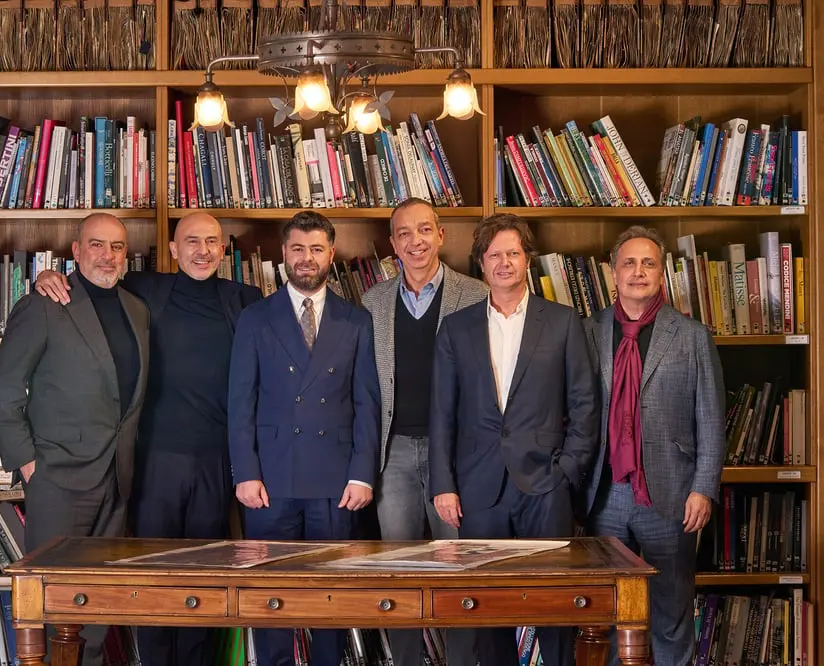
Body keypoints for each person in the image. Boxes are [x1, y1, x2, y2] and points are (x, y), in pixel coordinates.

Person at [33, 211, 261, 666]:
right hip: (153, 460)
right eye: (191, 241)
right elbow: (92, 279)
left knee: (202, 580)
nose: (202, 250)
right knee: (154, 580)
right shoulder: (143, 288)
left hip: (217, 461)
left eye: (212, 241)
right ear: (173, 250)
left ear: (223, 249)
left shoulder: (246, 299)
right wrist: (46, 276)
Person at [428, 213, 598, 666]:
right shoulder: (456, 328)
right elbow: (442, 413)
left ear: (527, 260)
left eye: (513, 253)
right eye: (494, 255)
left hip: (546, 484)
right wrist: (443, 484)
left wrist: (567, 471)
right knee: (489, 608)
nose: (504, 262)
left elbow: (585, 404)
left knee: (555, 607)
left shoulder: (563, 322)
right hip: (478, 488)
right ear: (481, 264)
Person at [0, 212, 150, 666]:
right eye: (96, 245)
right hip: (57, 479)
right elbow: (2, 388)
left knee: (94, 610)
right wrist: (28, 463)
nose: (107, 255)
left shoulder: (137, 310)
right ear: (75, 252)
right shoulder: (45, 303)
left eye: (117, 246)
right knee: (51, 607)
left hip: (116, 479)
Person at [228, 210, 381, 666]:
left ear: (331, 254)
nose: (306, 258)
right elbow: (240, 403)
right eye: (298, 248)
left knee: (329, 596)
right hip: (269, 481)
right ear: (283, 254)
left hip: (335, 483)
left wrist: (362, 475)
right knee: (269, 595)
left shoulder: (357, 321)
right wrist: (245, 473)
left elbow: (367, 404)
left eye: (316, 249)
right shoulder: (255, 318)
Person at [582, 226, 725, 666]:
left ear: (661, 275)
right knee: (604, 611)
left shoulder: (692, 336)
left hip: (671, 494)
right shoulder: (588, 332)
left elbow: (712, 419)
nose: (638, 272)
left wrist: (703, 488)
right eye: (629, 262)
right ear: (613, 272)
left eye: (648, 263)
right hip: (603, 494)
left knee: (670, 610)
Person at [360, 197, 484, 666]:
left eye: (424, 230)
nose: (416, 241)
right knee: (399, 570)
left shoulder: (475, 295)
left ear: (441, 235)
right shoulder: (372, 302)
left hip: (453, 455)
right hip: (392, 456)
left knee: (457, 568)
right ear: (393, 244)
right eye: (405, 234)